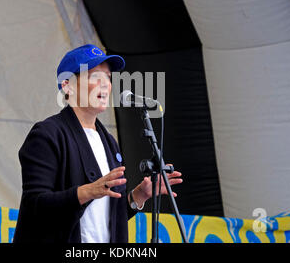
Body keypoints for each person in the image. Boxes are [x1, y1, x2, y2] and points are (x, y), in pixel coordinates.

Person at [13, 44, 182, 243]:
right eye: (95, 77)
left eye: (108, 78)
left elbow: (103, 219)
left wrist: (138, 196)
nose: (105, 84)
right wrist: (87, 192)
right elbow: (35, 206)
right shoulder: (47, 134)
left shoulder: (109, 142)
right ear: (67, 85)